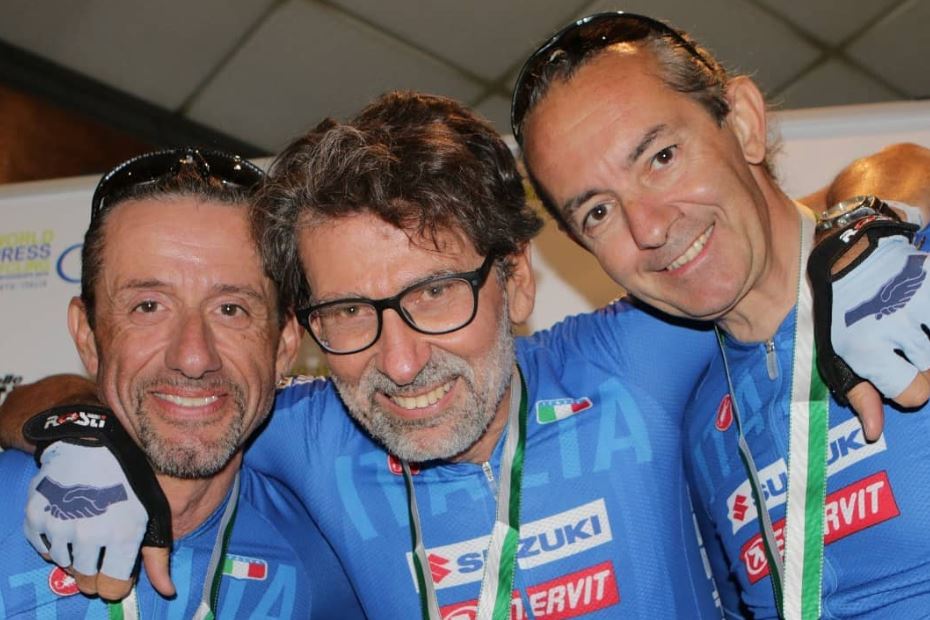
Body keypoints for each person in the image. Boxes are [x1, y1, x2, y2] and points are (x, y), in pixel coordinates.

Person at [6, 95, 726, 618]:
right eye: (349, 311)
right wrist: (77, 427)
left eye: (435, 293)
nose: (401, 364)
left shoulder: (634, 359)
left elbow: (766, 255)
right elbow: (168, 405)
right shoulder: (308, 432)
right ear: (303, 335)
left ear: (514, 278)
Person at [512, 11, 930, 618]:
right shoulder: (699, 418)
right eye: (598, 212)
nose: (649, 227)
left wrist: (865, 225)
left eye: (661, 157)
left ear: (744, 123)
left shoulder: (908, 280)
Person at [0, 149, 362, 618]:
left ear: (284, 345)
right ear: (87, 336)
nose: (193, 357)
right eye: (148, 306)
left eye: (231, 309)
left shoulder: (333, 566)